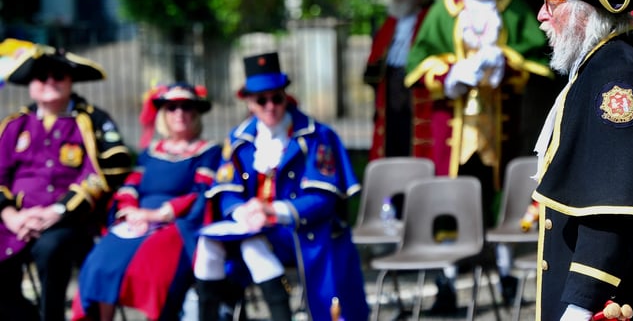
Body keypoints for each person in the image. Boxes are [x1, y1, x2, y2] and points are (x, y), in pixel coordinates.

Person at [498, 0, 633, 320]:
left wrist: (580, 304)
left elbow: (614, 208)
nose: (541, 15)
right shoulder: (609, 62)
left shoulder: (616, 79)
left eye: (552, 3)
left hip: (611, 302)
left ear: (584, 11)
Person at [403, 0, 553, 312]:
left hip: (501, 128)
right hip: (451, 129)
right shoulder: (441, 11)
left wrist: (507, 62)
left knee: (502, 199)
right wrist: (451, 74)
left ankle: (505, 274)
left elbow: (538, 57)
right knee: (450, 201)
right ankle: (447, 282)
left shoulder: (512, 8)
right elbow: (416, 64)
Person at [194, 52, 369, 321]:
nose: (270, 106)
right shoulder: (239, 139)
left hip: (302, 231)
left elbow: (322, 200)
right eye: (261, 100)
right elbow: (226, 192)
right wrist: (244, 213)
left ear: (286, 96)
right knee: (208, 245)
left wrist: (272, 210)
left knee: (253, 246)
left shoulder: (315, 136)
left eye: (276, 98)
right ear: (249, 102)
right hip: (253, 226)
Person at [0, 43, 132, 321]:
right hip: (15, 222)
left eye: (58, 75)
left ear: (70, 80)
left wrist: (56, 211)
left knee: (52, 249)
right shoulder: (14, 125)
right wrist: (11, 215)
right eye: (41, 76)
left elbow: (106, 172)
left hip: (71, 221)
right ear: (30, 84)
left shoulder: (92, 120)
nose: (50, 81)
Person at [71, 82, 224, 321]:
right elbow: (131, 185)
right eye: (172, 107)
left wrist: (158, 216)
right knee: (99, 263)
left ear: (196, 112)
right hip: (137, 220)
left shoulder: (209, 151)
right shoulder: (151, 151)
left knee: (153, 272)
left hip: (179, 223)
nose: (180, 113)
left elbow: (201, 192)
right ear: (163, 113)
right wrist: (130, 212)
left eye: (186, 106)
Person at [363, 0, 440, 160]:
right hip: (390, 102)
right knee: (391, 148)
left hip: (419, 99)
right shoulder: (390, 22)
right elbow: (373, 66)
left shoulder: (432, 17)